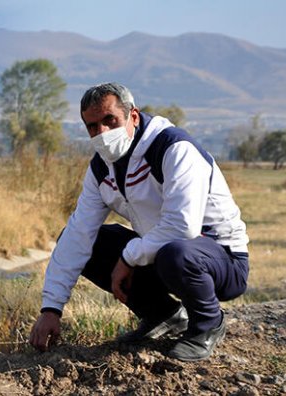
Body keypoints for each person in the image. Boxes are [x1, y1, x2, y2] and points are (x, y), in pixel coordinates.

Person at [29, 83, 249, 361]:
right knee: (90, 241)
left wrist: (129, 257)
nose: (102, 133)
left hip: (220, 261)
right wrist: (51, 309)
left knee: (176, 251)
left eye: (110, 120)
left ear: (133, 116)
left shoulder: (173, 148)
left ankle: (207, 324)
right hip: (163, 257)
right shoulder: (101, 168)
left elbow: (183, 226)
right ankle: (163, 316)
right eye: (92, 126)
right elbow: (78, 234)